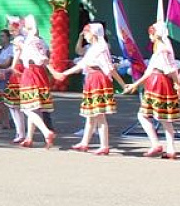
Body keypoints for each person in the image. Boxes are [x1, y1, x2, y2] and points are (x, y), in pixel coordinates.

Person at [52, 23, 126, 155]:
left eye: (86, 32)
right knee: (91, 114)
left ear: (93, 33)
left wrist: (122, 84)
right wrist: (64, 74)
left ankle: (104, 145)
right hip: (92, 79)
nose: (85, 35)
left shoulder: (101, 48)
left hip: (98, 79)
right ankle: (84, 143)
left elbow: (109, 68)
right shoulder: (93, 48)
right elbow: (82, 64)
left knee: (99, 114)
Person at [124, 21, 180, 159]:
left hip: (158, 82)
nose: (150, 36)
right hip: (160, 82)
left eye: (151, 33)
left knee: (145, 115)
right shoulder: (164, 48)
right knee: (164, 118)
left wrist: (177, 83)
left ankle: (157, 144)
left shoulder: (162, 49)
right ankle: (170, 148)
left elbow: (169, 69)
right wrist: (135, 85)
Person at [13, 15, 56, 149]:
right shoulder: (40, 41)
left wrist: (21, 46)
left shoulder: (29, 41)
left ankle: (46, 131)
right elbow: (46, 55)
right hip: (40, 74)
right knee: (35, 107)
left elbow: (40, 57)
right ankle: (29, 138)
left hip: (31, 73)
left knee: (27, 108)